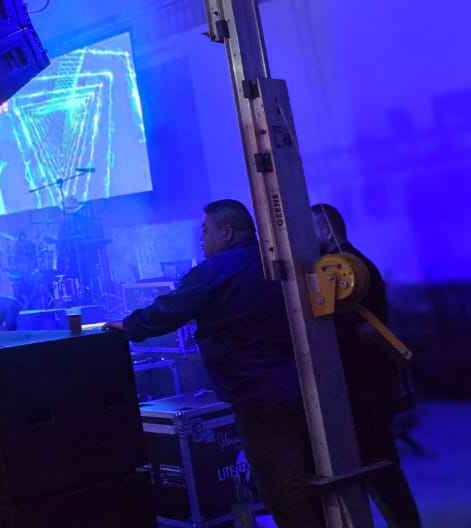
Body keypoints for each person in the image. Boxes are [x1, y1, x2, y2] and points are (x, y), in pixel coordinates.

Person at [105, 199, 319, 528]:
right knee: (311, 478)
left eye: (205, 231)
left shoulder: (215, 270)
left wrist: (129, 326)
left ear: (227, 232)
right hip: (302, 389)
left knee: (280, 488)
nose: (201, 239)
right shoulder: (275, 260)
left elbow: (170, 309)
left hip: (258, 397)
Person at [313, 203, 422, 528]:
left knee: (379, 465)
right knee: (379, 464)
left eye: (309, 230)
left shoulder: (342, 268)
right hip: (371, 383)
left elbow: (354, 332)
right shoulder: (356, 262)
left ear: (326, 230)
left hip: (365, 386)